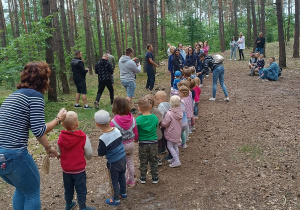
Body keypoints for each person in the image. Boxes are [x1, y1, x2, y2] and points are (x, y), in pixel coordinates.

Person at [0, 62, 66, 209]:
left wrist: (48, 148)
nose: (48, 81)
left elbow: (35, 129)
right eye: (47, 77)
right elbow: (39, 130)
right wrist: (58, 119)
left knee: (22, 189)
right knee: (32, 193)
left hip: (1, 156)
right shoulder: (34, 96)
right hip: (14, 155)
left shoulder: (14, 96)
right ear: (42, 80)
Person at [57, 111, 94, 210]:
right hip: (79, 170)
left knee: (68, 188)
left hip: (66, 170)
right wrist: (88, 157)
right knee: (81, 189)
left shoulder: (61, 137)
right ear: (77, 124)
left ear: (62, 124)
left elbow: (59, 150)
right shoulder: (82, 137)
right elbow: (89, 153)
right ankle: (82, 207)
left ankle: (68, 204)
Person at [95, 110, 127, 206]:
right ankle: (123, 193)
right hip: (123, 157)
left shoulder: (103, 138)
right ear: (110, 120)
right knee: (122, 176)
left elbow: (100, 153)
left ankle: (116, 199)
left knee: (114, 180)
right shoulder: (117, 130)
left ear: (97, 125)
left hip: (113, 162)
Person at [110, 97, 139, 188]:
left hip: (120, 146)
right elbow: (136, 132)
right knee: (130, 162)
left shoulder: (113, 122)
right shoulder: (132, 119)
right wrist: (136, 140)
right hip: (130, 144)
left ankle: (122, 182)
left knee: (122, 165)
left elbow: (112, 136)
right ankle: (131, 180)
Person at [136, 97, 159, 184]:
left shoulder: (138, 120)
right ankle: (155, 177)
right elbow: (156, 126)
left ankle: (143, 177)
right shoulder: (154, 117)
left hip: (143, 143)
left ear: (139, 108)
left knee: (143, 160)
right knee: (154, 160)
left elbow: (136, 131)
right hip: (153, 142)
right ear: (150, 106)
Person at [161, 95, 183, 168]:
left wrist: (161, 123)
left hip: (171, 132)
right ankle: (176, 158)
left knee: (170, 146)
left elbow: (165, 123)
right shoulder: (180, 112)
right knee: (175, 146)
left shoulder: (169, 113)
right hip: (177, 132)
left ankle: (177, 161)